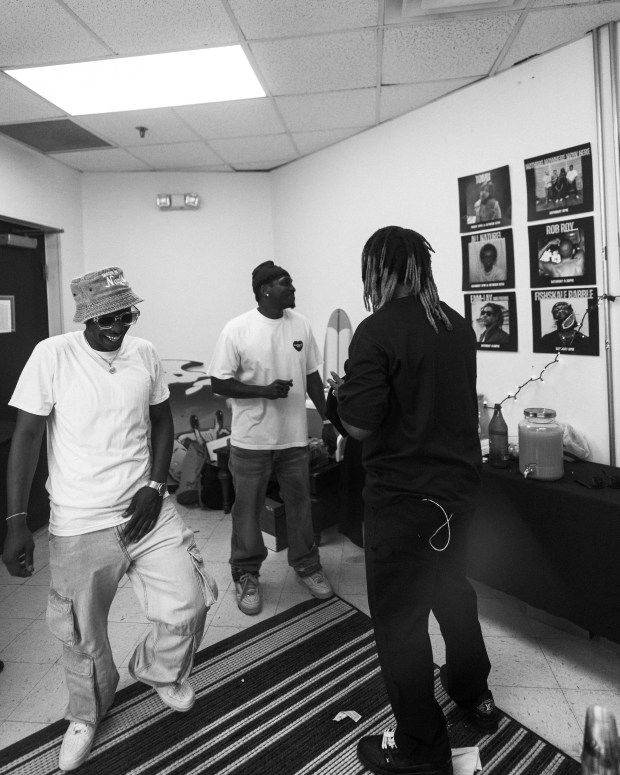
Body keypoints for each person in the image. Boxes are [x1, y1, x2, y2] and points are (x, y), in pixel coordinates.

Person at [2, 266, 216, 772]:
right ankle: (87, 713)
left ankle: (159, 670)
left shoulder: (143, 354)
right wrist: (14, 521)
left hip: (147, 510)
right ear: (85, 318)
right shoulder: (52, 355)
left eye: (127, 313)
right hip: (79, 521)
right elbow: (28, 437)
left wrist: (156, 485)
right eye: (106, 317)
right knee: (82, 634)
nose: (118, 324)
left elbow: (162, 419)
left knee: (190, 601)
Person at [328, 226, 498, 775]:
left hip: (402, 503)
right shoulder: (455, 323)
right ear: (419, 268)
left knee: (400, 623)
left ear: (378, 270)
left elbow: (358, 423)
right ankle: (474, 696)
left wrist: (337, 398)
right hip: (458, 495)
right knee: (453, 593)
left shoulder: (376, 331)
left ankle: (422, 747)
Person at [209, 261, 337, 616]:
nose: (293, 288)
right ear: (266, 289)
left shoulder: (301, 324)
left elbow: (312, 377)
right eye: (286, 283)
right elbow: (218, 382)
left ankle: (308, 566)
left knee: (300, 507)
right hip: (251, 442)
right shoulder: (238, 329)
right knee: (247, 512)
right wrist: (263, 391)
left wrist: (328, 419)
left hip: (294, 440)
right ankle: (247, 575)